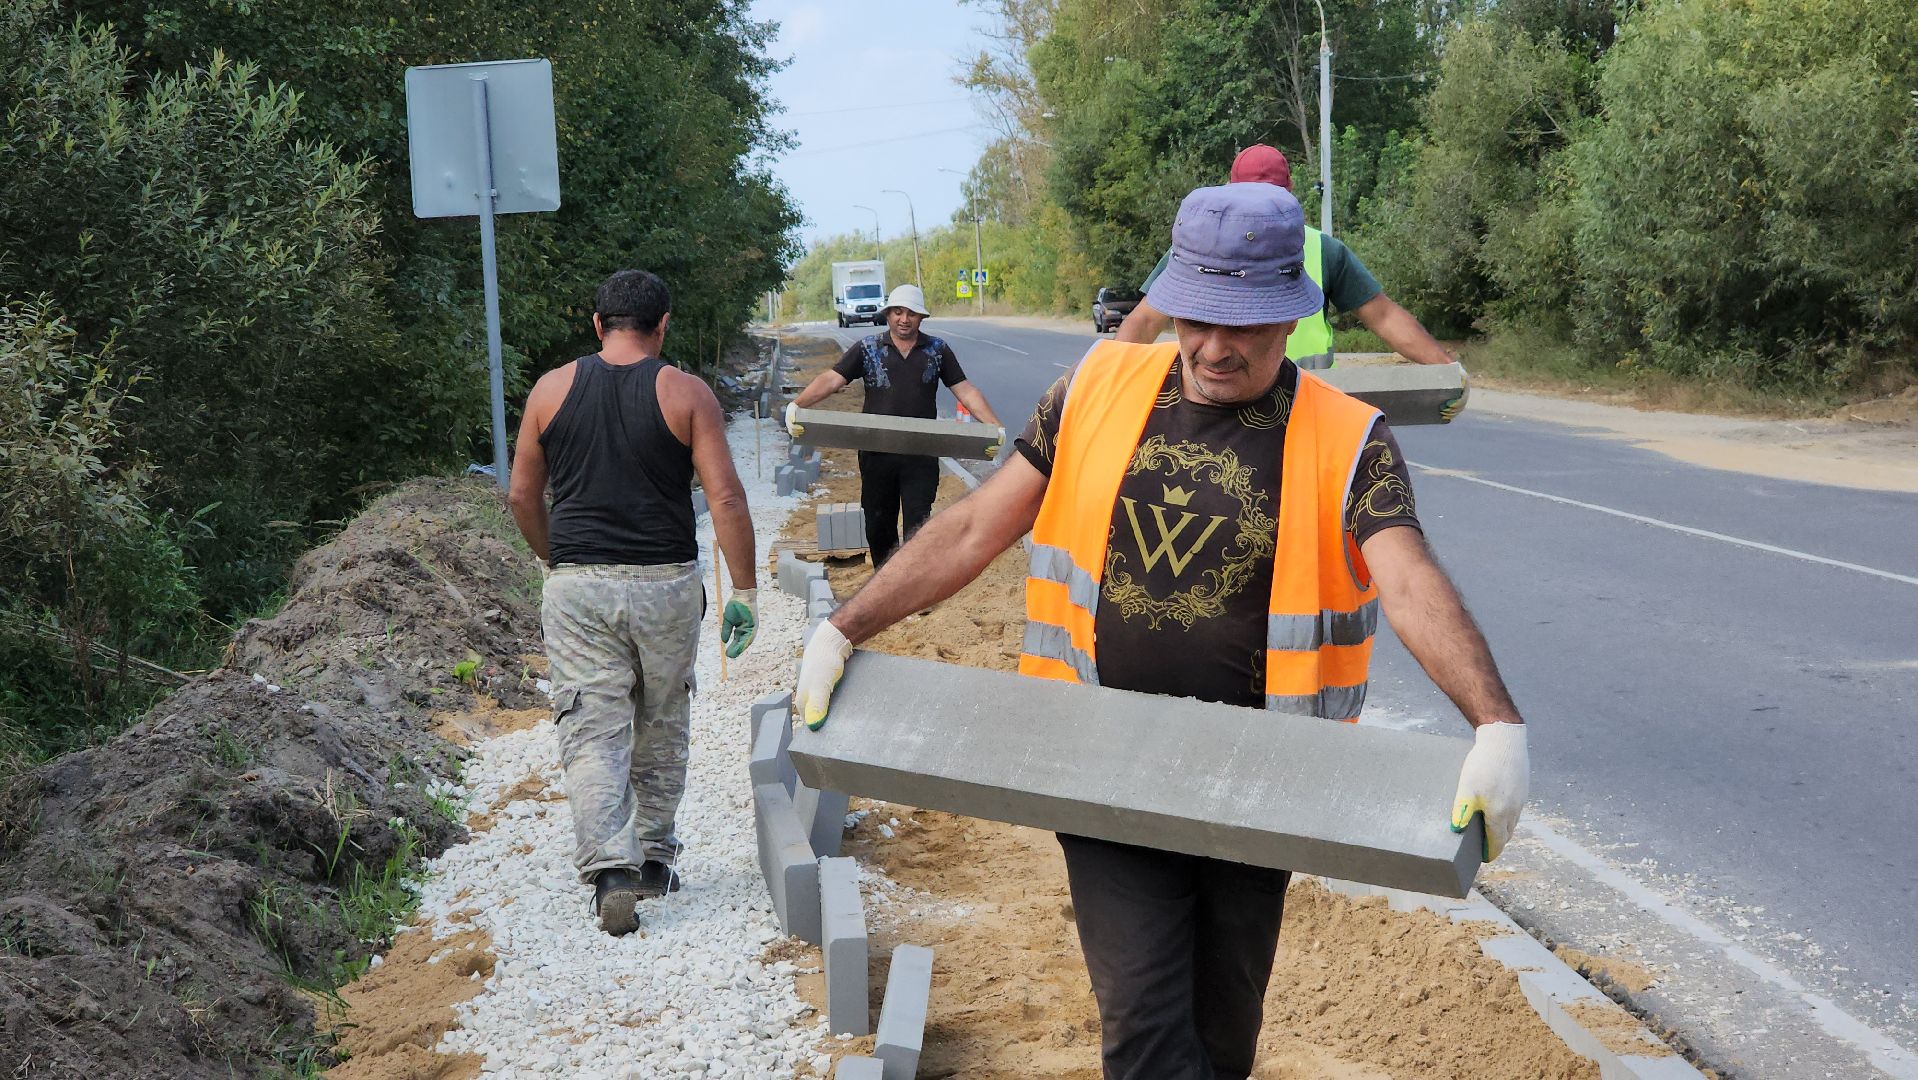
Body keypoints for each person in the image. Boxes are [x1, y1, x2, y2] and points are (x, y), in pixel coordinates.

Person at [794, 185, 1529, 1079]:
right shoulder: (1094, 389)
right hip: (1101, 759)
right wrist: (843, 628)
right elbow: (977, 525)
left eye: (1244, 326)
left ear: (1290, 316)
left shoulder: (1350, 440)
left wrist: (1495, 723)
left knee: (1222, 1040)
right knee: (1145, 1028)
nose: (1214, 347)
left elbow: (1407, 578)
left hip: (1264, 781)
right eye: (1197, 318)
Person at [508, 269, 760, 937]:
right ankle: (652, 858)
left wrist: (555, 558)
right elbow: (726, 497)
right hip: (666, 584)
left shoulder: (549, 390)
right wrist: (744, 590)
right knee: (662, 717)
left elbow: (521, 496)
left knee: (592, 726)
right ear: (663, 325)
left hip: (579, 585)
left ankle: (610, 873)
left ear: (597, 324)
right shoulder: (686, 393)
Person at [1118, 146, 1463, 410]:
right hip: (1276, 404)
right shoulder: (1317, 248)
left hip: (1297, 406)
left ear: (1229, 186)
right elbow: (1384, 316)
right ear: (1290, 190)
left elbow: (1144, 322)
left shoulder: (1200, 249)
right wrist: (1448, 371)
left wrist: (1446, 374)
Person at [787, 283, 1003, 567]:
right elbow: (832, 379)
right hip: (877, 455)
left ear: (921, 317)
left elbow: (965, 390)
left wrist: (993, 426)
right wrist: (797, 405)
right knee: (879, 526)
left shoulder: (937, 351)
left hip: (921, 455)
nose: (904, 319)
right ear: (888, 314)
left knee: (917, 528)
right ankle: (883, 580)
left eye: (911, 313)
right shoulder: (868, 348)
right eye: (898, 312)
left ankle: (913, 584)